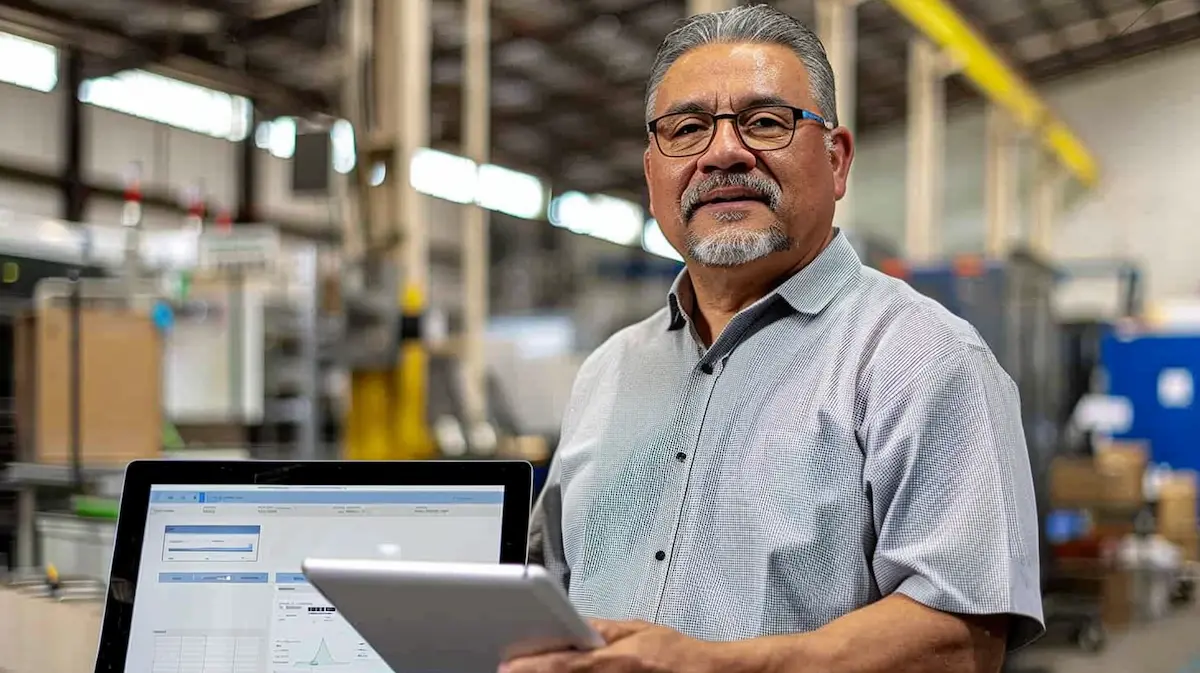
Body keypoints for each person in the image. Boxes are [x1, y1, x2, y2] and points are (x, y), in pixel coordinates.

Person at [509, 5, 1044, 673]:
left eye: (765, 121)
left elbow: (961, 639)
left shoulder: (921, 358)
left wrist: (713, 666)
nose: (723, 153)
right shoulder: (608, 371)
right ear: (652, 177)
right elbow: (546, 592)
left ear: (836, 160)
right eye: (687, 129)